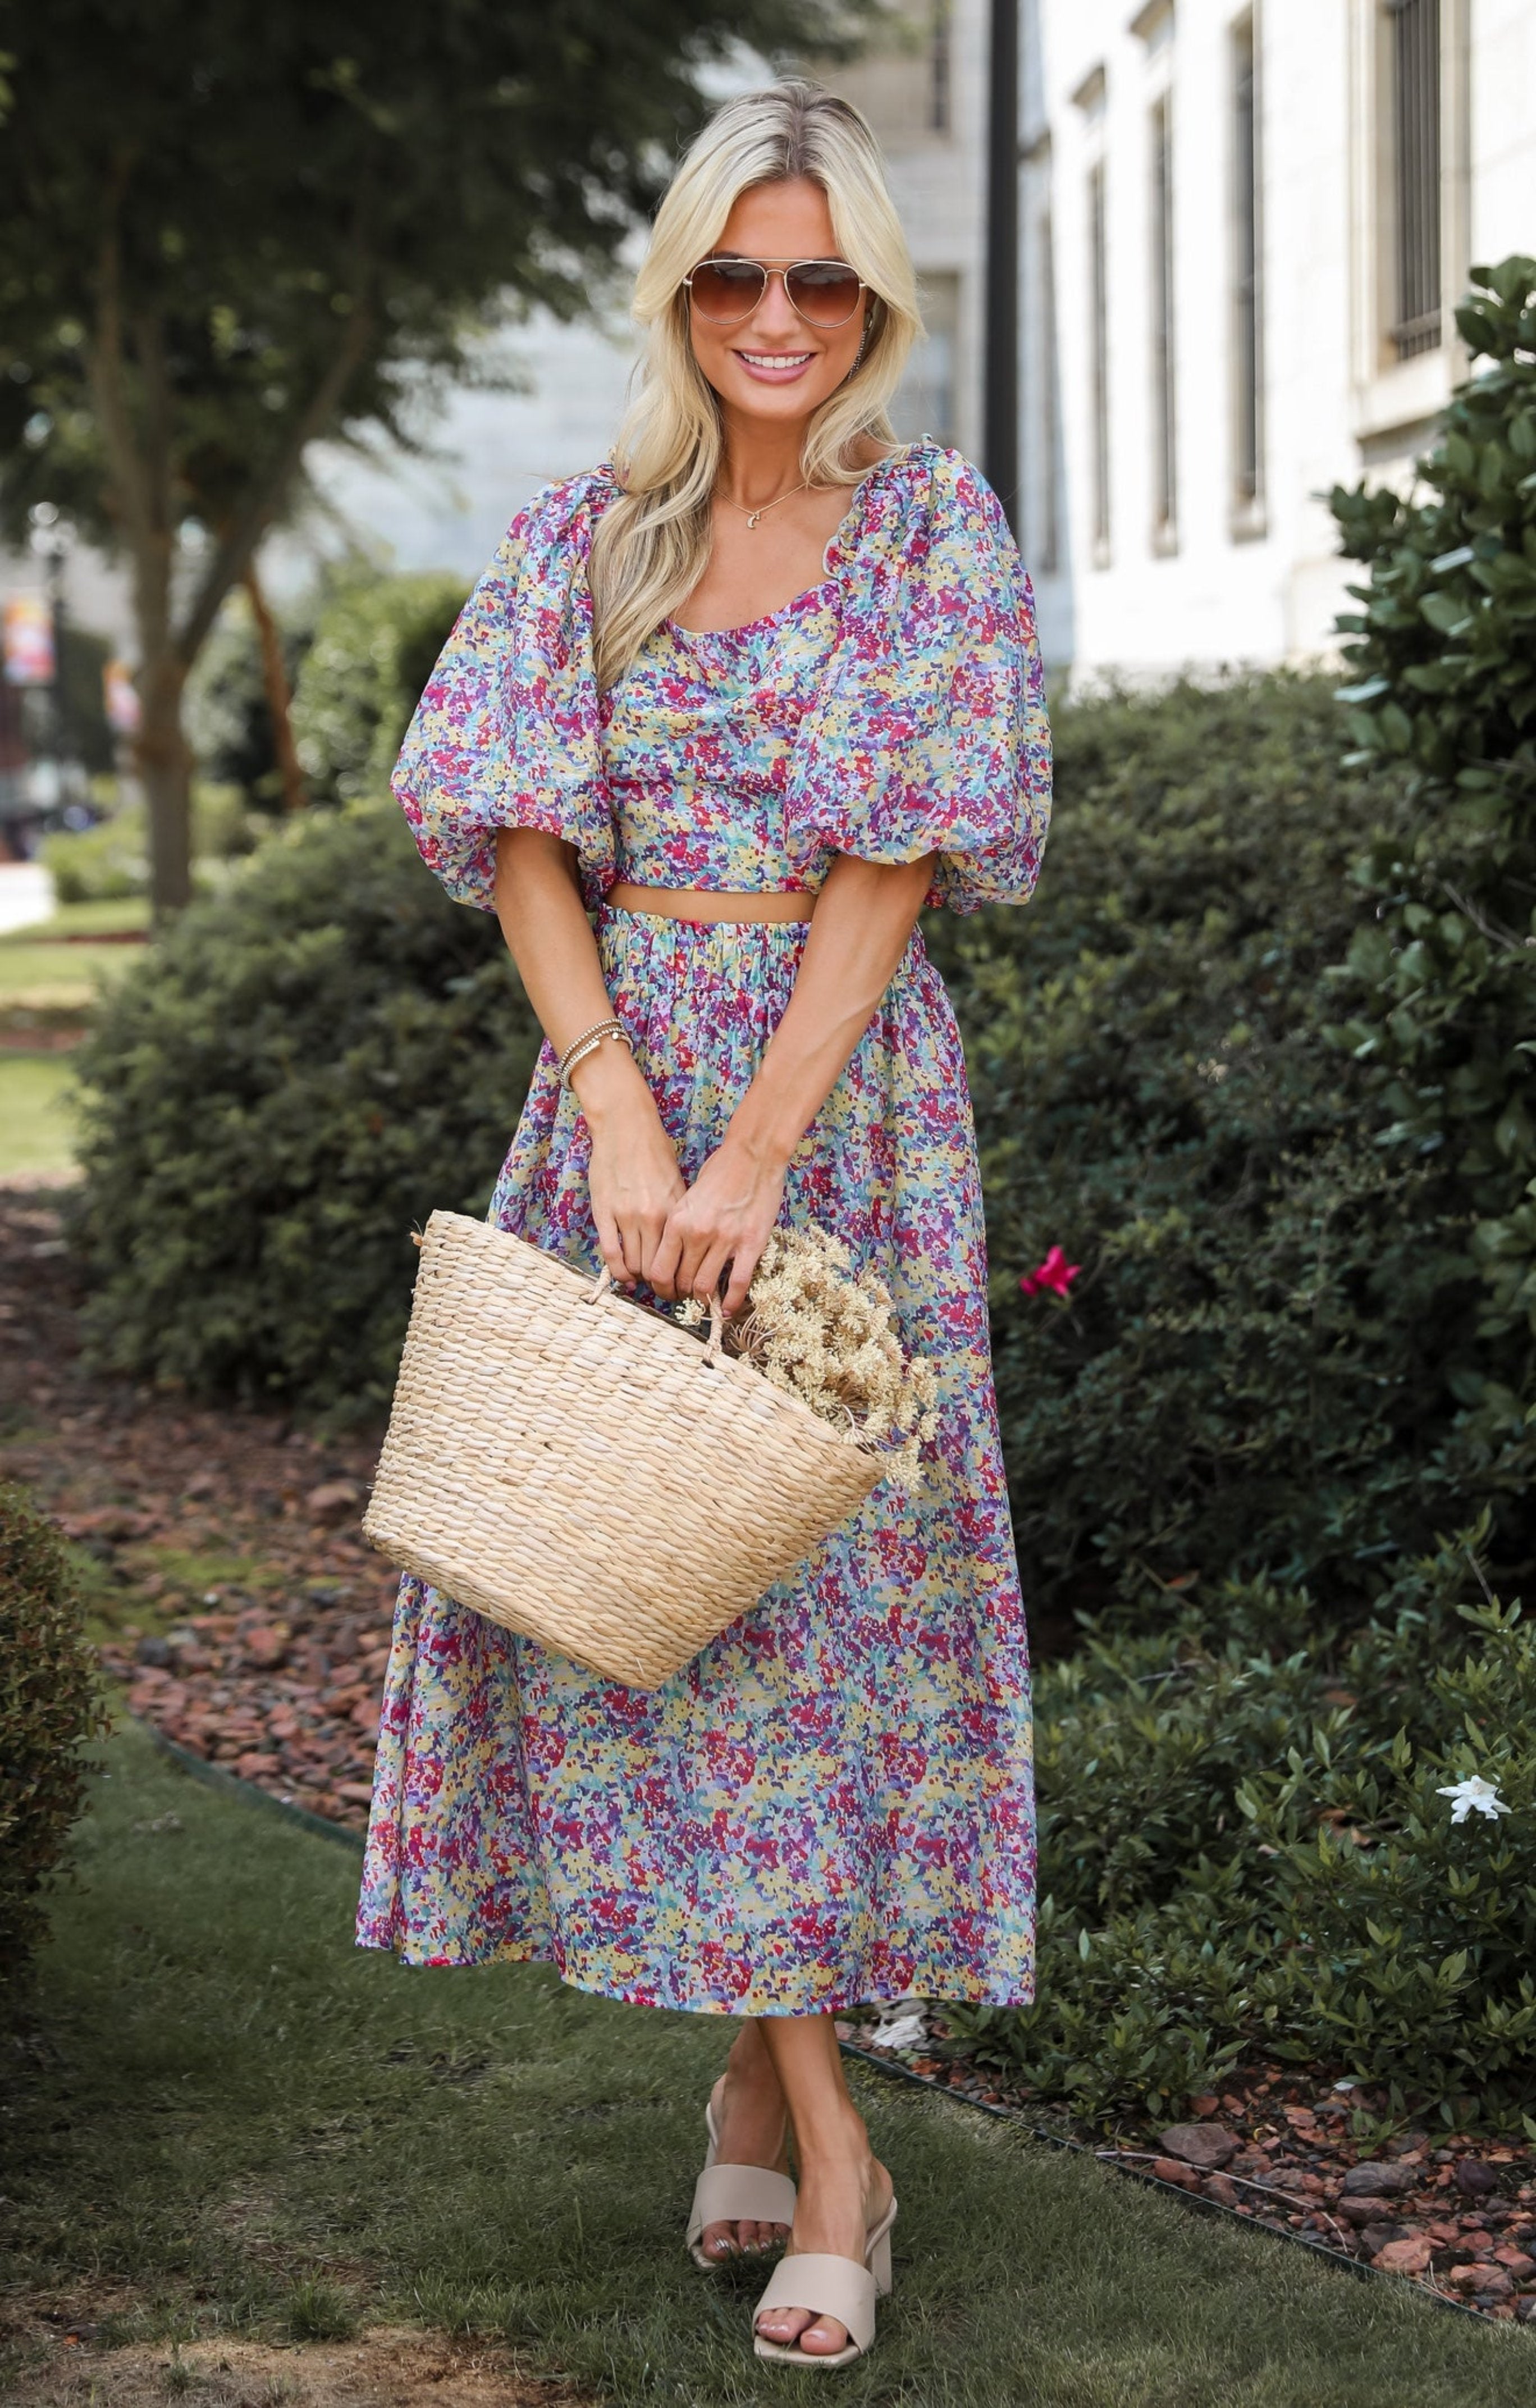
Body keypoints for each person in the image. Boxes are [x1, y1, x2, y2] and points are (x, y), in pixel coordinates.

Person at [358, 79, 1051, 2370]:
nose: (778, 314)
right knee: (660, 1580)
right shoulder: (589, 535)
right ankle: (796, 2113)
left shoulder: (933, 530)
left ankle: (815, 2138)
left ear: (873, 303)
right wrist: (619, 1118)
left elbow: (894, 861)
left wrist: (753, 1152)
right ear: (679, 289)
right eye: (737, 273)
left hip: (842, 1122)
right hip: (619, 1109)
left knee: (819, 1613)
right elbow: (517, 835)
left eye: (822, 278)